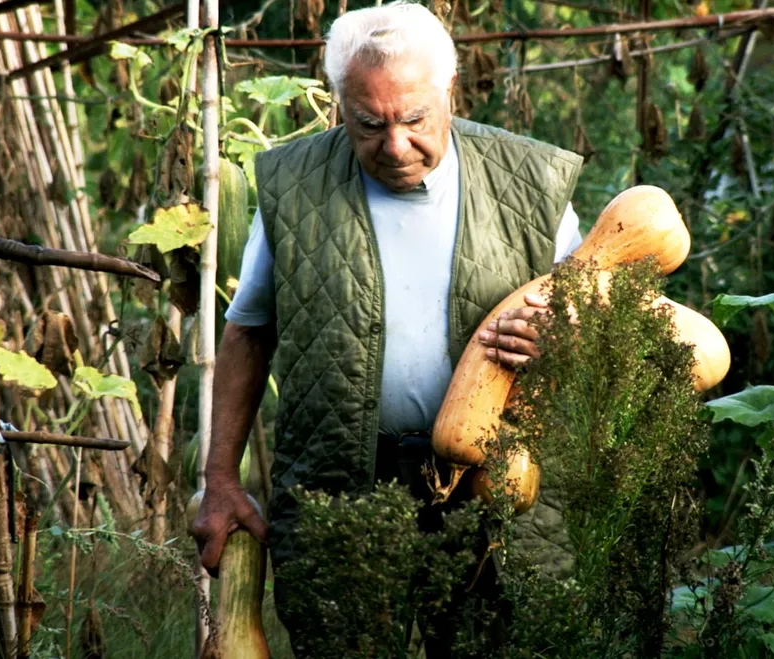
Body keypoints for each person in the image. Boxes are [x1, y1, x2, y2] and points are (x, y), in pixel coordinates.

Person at [191, 1, 585, 654]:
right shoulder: (294, 185)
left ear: (449, 91)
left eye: (414, 119)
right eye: (369, 124)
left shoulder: (529, 180)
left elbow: (590, 305)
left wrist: (561, 333)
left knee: (504, 640)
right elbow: (248, 331)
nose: (395, 145)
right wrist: (221, 479)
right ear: (338, 103)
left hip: (496, 483)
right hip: (341, 484)